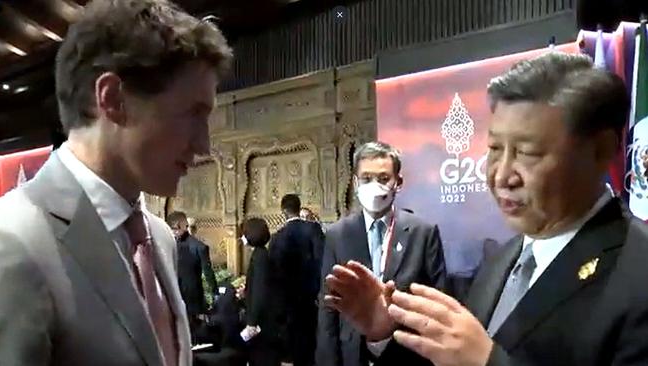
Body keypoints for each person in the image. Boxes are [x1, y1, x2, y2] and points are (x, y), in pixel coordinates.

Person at [329, 52, 648, 366]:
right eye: (495, 149)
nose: (502, 175)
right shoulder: (505, 259)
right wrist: (384, 333)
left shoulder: (638, 272)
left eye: (528, 152)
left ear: (601, 150)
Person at [0, 0, 233, 365]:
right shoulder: (11, 240)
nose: (203, 144)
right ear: (112, 99)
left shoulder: (160, 237)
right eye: (192, 113)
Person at [317, 141, 447, 366]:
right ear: (356, 183)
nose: (374, 186)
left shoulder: (423, 233)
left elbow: (438, 303)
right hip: (352, 355)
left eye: (383, 178)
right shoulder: (337, 235)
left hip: (408, 355)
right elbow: (328, 306)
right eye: (366, 179)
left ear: (398, 182)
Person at [269, 194, 325, 366]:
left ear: (283, 211)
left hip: (287, 298)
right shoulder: (313, 230)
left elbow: (274, 270)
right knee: (311, 337)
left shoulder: (277, 236)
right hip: (311, 295)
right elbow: (322, 260)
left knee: (294, 338)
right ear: (299, 207)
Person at [167, 210, 219, 342]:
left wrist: (215, 293)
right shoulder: (169, 245)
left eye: (175, 229)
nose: (174, 232)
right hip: (174, 294)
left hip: (192, 297)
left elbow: (208, 273)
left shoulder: (199, 247)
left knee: (193, 333)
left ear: (184, 226)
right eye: (171, 229)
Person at [242, 217, 283, 366]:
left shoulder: (260, 257)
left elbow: (260, 291)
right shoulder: (260, 254)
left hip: (262, 322)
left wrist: (252, 322)